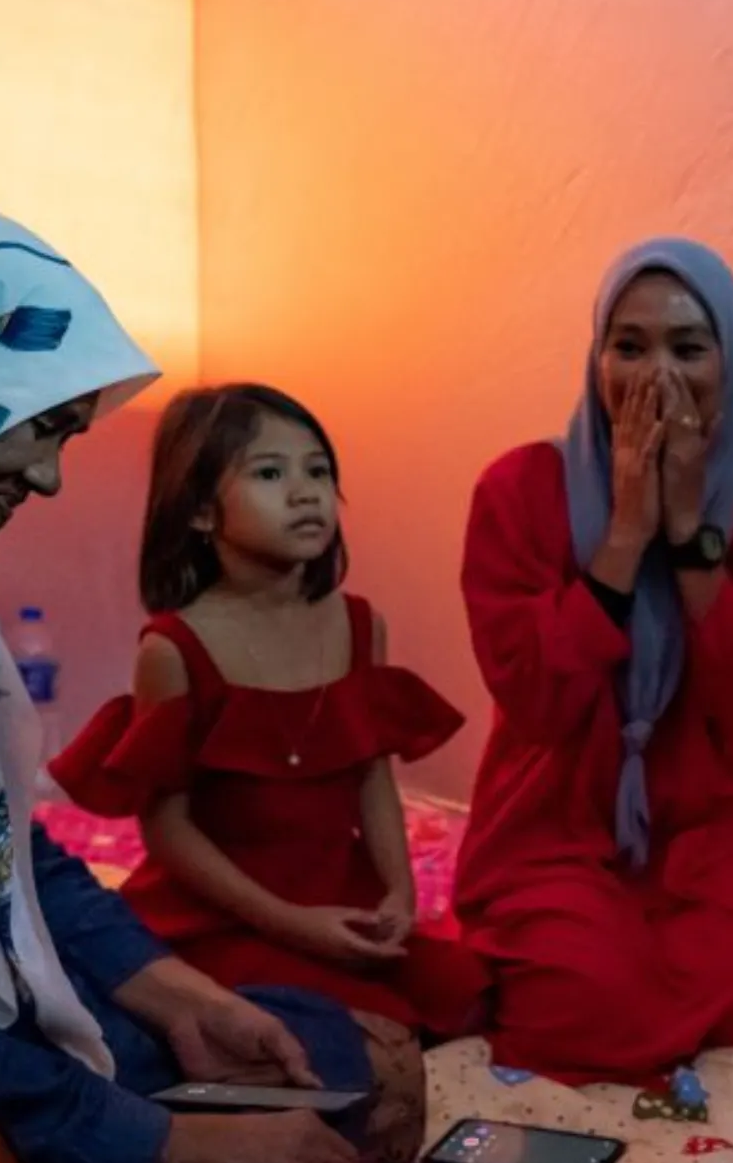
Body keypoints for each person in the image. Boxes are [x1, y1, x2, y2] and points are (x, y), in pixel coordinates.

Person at [0, 203, 422, 1163]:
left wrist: (181, 1002)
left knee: (367, 1064)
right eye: (42, 430)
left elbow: (21, 857)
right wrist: (168, 1147)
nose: (57, 482)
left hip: (18, 1032)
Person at [454, 239, 733, 1085]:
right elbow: (536, 699)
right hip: (547, 835)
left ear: (730, 365)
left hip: (700, 837)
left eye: (688, 348)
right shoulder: (518, 491)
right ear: (595, 362)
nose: (656, 376)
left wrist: (693, 532)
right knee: (585, 1007)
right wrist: (624, 533)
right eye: (630, 347)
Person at [52, 382, 488, 1037]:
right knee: (355, 1031)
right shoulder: (176, 648)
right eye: (269, 473)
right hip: (229, 909)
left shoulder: (360, 624)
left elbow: (372, 779)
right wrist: (289, 922)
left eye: (318, 470)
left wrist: (399, 891)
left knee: (467, 994)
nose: (305, 491)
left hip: (334, 893)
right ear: (201, 512)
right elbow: (168, 831)